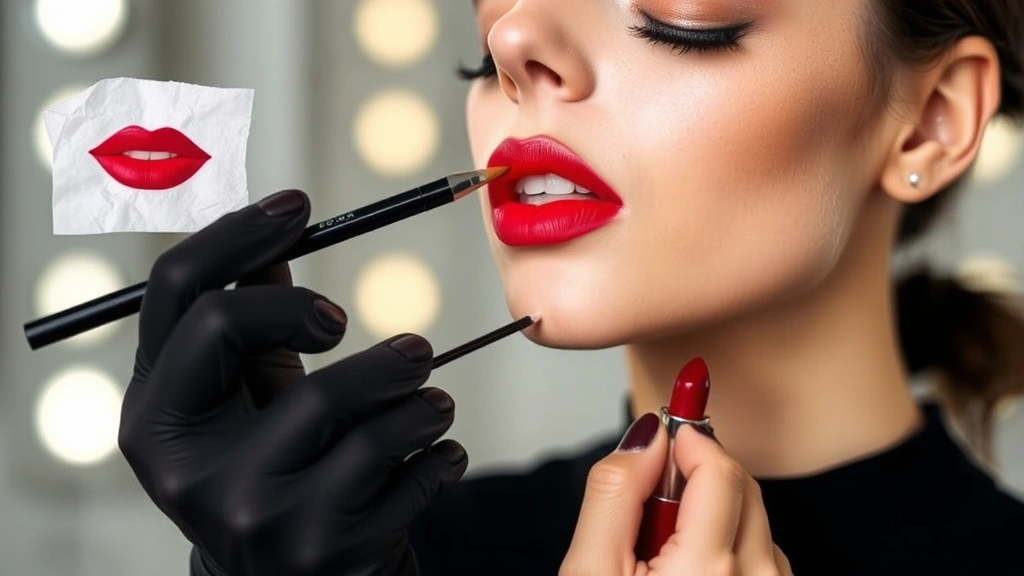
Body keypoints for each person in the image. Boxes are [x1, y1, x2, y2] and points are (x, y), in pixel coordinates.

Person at [115, 1, 1024, 575]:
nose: (513, 40)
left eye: (676, 19)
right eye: (482, 51)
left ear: (932, 121)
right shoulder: (399, 555)